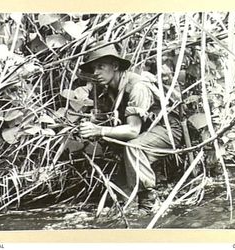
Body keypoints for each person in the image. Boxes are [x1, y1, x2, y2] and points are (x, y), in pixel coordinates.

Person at [78, 41, 183, 212]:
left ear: (115, 66)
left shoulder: (137, 86)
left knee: (133, 147)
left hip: (167, 130)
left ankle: (149, 204)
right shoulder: (107, 89)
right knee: (117, 199)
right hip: (146, 131)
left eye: (101, 67)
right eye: (93, 69)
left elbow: (133, 130)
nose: (96, 73)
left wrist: (100, 130)